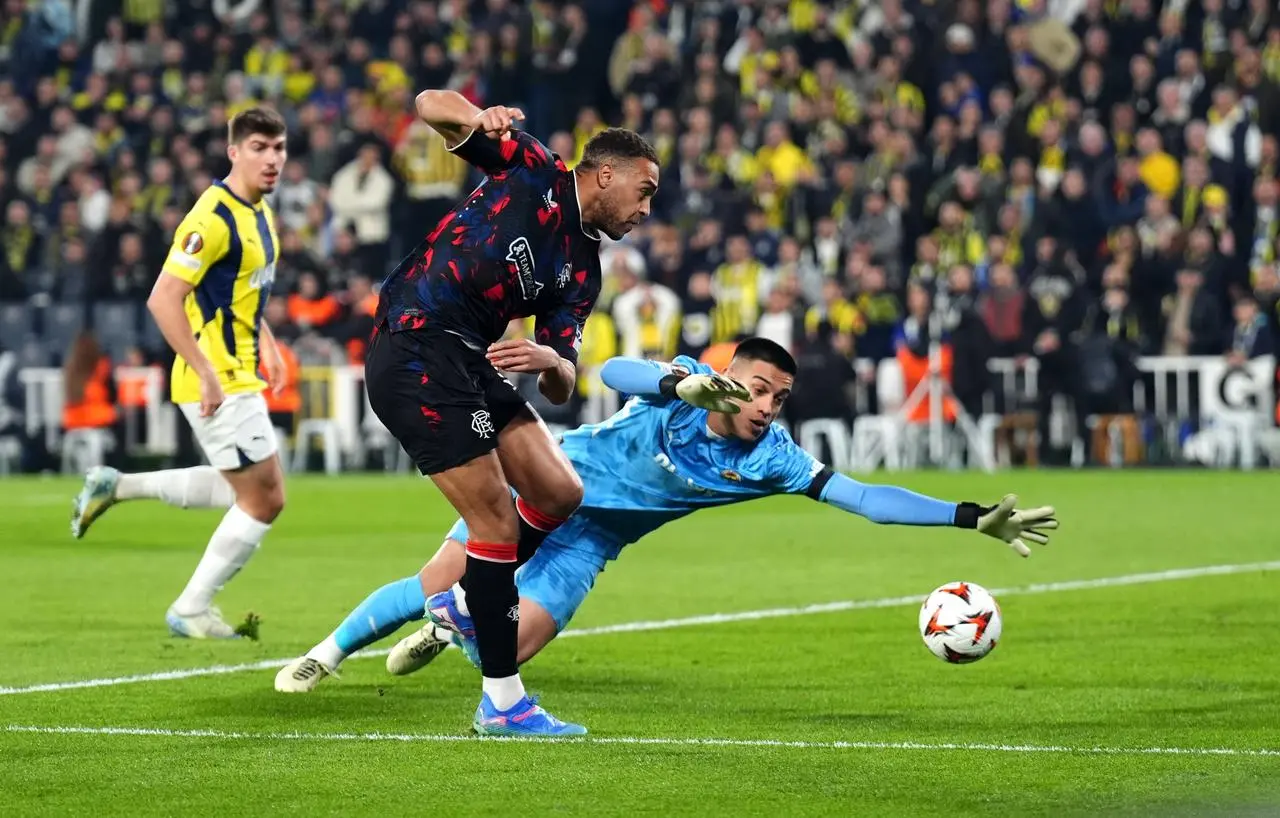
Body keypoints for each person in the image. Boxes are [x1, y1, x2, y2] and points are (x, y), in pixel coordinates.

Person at [275, 339, 1057, 715]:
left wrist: (969, 517)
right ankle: (324, 653)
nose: (764, 406)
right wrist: (682, 381)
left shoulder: (774, 460)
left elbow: (864, 498)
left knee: (509, 645)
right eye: (757, 389)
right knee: (433, 583)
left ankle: (458, 631)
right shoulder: (686, 387)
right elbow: (616, 373)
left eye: (777, 398)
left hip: (596, 538)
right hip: (551, 485)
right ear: (731, 376)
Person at [357, 89, 660, 737]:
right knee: (493, 517)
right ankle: (503, 702)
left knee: (559, 488)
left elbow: (562, 381)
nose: (646, 209)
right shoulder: (531, 168)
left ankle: (469, 603)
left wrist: (553, 364)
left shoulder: (583, 270)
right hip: (415, 341)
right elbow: (427, 102)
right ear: (605, 174)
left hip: (472, 359)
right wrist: (475, 118)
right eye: (644, 191)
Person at [69, 108, 291, 641]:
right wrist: (206, 371)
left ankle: (115, 485)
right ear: (233, 151)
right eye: (260, 147)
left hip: (238, 371)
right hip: (218, 379)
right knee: (265, 498)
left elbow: (243, 291)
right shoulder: (210, 218)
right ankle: (191, 606)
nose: (273, 159)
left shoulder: (260, 212)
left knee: (240, 492)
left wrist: (269, 344)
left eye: (280, 148)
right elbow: (163, 299)